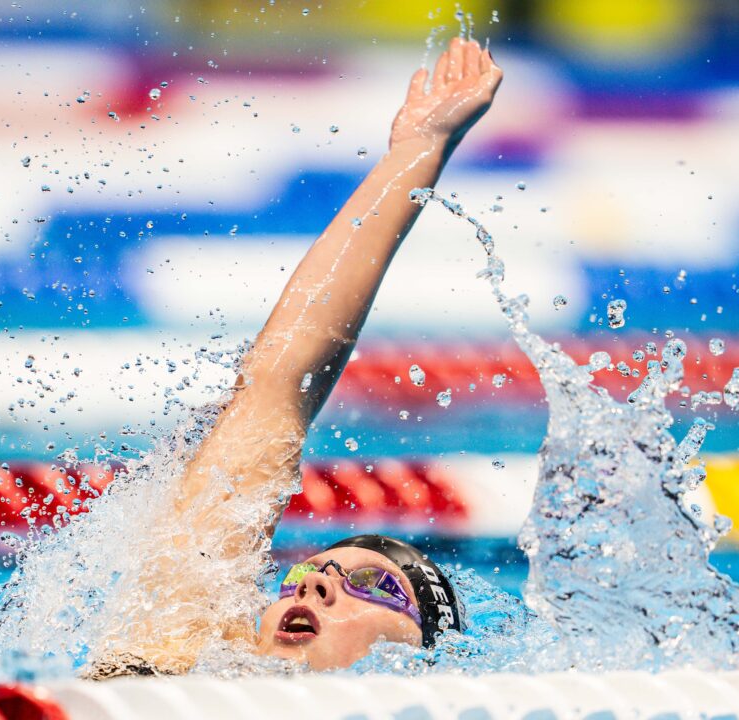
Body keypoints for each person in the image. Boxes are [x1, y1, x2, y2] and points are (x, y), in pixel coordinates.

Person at [89, 37, 502, 677]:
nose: (313, 586)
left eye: (377, 588)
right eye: (309, 574)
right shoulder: (180, 657)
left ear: (420, 658)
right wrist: (416, 152)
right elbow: (279, 380)